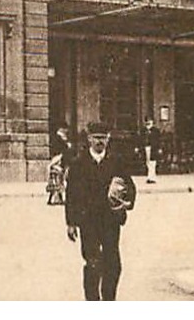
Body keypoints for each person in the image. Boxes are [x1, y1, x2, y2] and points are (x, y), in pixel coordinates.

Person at [64, 122, 135, 300]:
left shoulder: (116, 162)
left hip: (110, 220)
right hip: (87, 221)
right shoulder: (78, 163)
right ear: (89, 139)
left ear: (108, 139)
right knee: (93, 263)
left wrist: (127, 202)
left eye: (103, 138)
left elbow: (130, 187)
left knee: (113, 263)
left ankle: (109, 300)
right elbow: (71, 195)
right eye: (96, 138)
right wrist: (71, 223)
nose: (99, 141)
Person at [47, 125, 72, 207]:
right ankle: (54, 200)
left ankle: (54, 200)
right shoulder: (60, 139)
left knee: (56, 185)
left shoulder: (57, 138)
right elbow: (63, 150)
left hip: (57, 166)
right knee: (57, 184)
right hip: (57, 167)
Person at [141, 117, 163, 182]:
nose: (148, 123)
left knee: (153, 163)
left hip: (154, 148)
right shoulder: (143, 130)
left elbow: (158, 140)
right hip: (146, 147)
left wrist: (159, 148)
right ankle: (149, 176)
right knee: (147, 162)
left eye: (150, 122)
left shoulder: (156, 131)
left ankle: (152, 177)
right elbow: (141, 139)